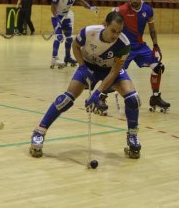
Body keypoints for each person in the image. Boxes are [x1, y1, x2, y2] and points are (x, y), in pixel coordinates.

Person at [29, 12, 142, 159]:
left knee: (133, 98)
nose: (115, 35)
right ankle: (39, 131)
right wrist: (82, 66)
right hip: (88, 66)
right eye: (113, 30)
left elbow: (114, 72)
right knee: (66, 99)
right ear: (105, 25)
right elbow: (75, 46)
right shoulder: (89, 32)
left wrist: (98, 93)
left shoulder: (124, 44)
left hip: (109, 71)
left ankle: (132, 135)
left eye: (119, 32)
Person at [113, 0, 170, 113]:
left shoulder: (148, 10)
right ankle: (102, 97)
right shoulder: (121, 10)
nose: (134, 0)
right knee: (115, 73)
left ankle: (155, 97)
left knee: (158, 67)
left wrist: (155, 45)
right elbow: (109, 24)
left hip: (140, 47)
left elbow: (152, 29)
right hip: (124, 47)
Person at [50, 0, 98, 69]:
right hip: (57, 16)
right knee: (59, 37)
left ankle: (67, 57)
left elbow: (82, 2)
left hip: (66, 16)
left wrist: (90, 7)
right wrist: (57, 19)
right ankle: (54, 58)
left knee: (69, 39)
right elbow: (52, 8)